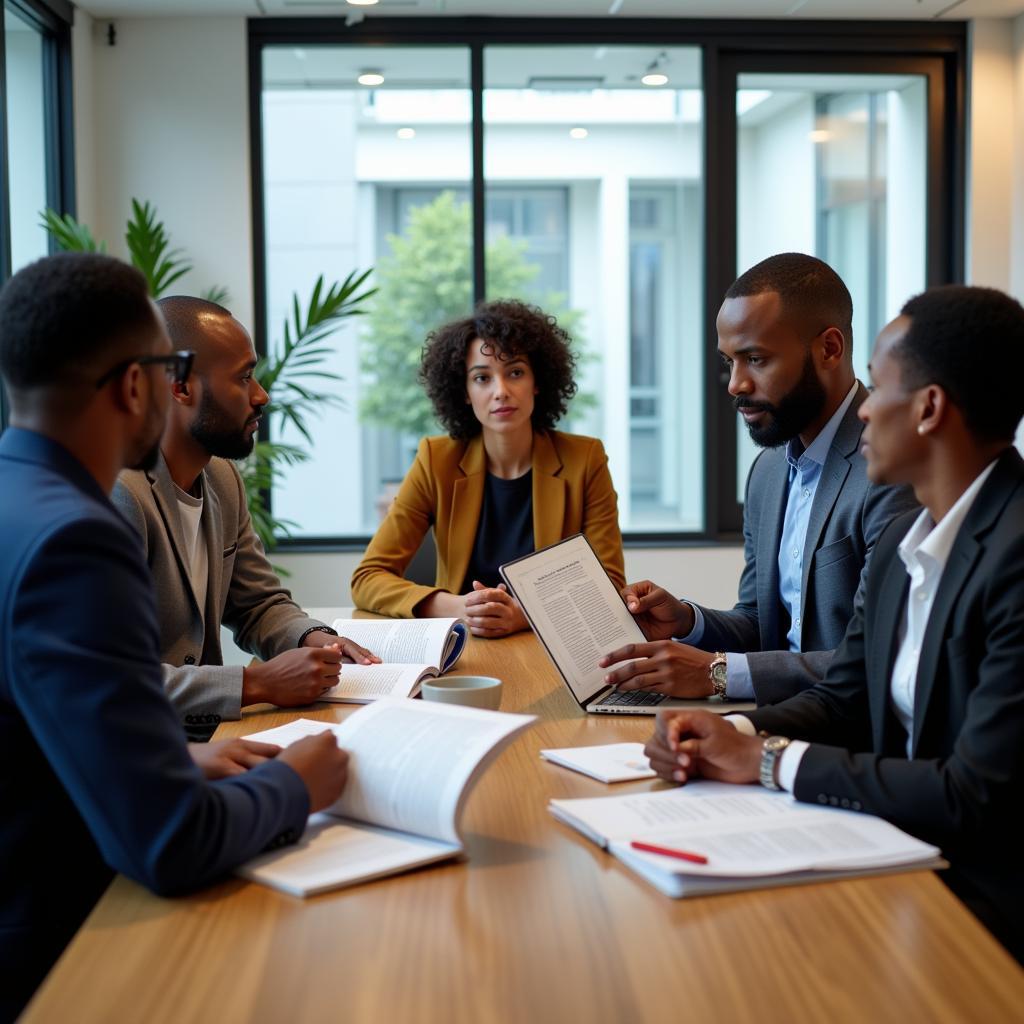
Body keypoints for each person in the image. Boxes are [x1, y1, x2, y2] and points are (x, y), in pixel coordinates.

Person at [0, 254, 348, 1020]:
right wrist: (297, 784)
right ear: (142, 385)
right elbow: (168, 843)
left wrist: (179, 759)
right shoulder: (77, 539)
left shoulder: (16, 498)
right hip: (57, 945)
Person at [644, 284, 1024, 961]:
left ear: (931, 408)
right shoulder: (911, 546)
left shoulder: (1015, 553)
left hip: (980, 897)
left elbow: (974, 797)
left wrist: (764, 761)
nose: (867, 409)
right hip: (895, 842)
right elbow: (843, 698)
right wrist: (725, 732)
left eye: (879, 389)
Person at [600, 253, 916, 704]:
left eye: (755, 359)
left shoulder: (892, 468)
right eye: (730, 361)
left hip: (844, 738)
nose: (735, 383)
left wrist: (718, 674)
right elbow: (762, 623)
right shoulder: (768, 471)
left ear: (830, 348)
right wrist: (688, 623)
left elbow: (876, 658)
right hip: (774, 720)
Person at [112, 296, 378, 740]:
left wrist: (316, 639)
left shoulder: (220, 477)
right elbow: (112, 678)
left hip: (205, 737)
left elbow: (258, 604)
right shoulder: (119, 495)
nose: (262, 395)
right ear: (179, 387)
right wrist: (257, 683)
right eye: (244, 377)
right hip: (135, 756)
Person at [351, 299, 625, 637]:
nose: (501, 391)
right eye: (482, 378)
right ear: (464, 392)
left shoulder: (585, 459)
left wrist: (523, 614)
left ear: (537, 381)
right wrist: (459, 607)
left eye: (515, 372)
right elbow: (368, 578)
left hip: (548, 645)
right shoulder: (436, 460)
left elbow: (609, 584)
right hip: (461, 643)